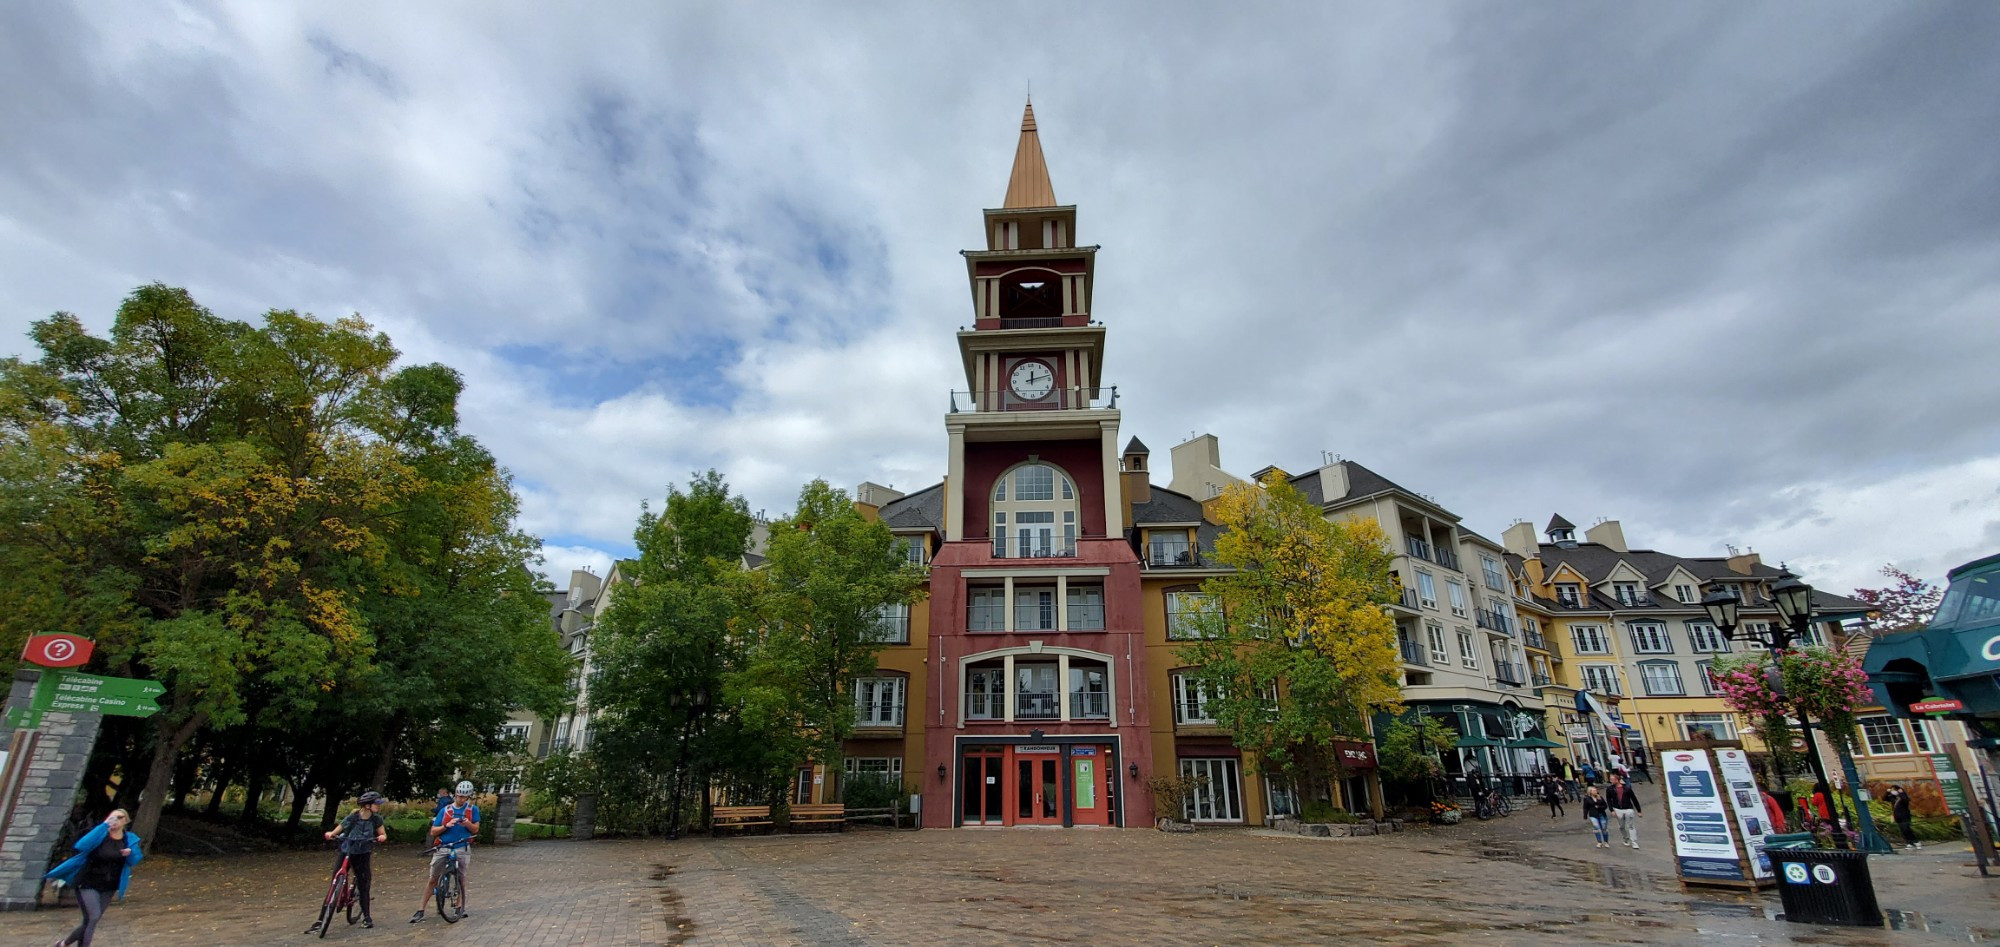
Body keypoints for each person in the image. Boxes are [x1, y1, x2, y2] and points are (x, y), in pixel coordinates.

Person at [44, 808, 143, 947]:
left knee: (90, 921)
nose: (115, 820)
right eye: (112, 817)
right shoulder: (100, 834)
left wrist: (130, 853)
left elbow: (135, 860)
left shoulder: (129, 839)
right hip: (88, 881)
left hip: (109, 884)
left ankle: (64, 943)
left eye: (119, 817)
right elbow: (82, 846)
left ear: (125, 820)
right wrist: (103, 826)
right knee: (93, 916)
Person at [310, 791, 387, 932]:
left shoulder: (376, 819)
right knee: (335, 881)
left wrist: (382, 837)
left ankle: (367, 917)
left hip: (363, 852)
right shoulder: (354, 817)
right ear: (367, 805)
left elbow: (382, 833)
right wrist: (331, 834)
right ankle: (321, 919)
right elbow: (341, 827)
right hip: (348, 850)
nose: (378, 806)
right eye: (376, 804)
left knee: (364, 884)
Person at [411, 780, 480, 924]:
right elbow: (433, 831)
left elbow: (475, 829)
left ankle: (459, 907)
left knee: (461, 878)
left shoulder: (473, 810)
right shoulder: (446, 810)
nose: (461, 799)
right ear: (455, 795)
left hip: (462, 847)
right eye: (459, 796)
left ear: (468, 797)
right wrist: (446, 825)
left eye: (464, 797)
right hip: (444, 846)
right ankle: (420, 909)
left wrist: (467, 823)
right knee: (433, 879)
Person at [1605, 772, 1643, 849]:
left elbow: (1634, 799)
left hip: (1628, 808)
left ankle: (1634, 842)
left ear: (1617, 780)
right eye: (1610, 779)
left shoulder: (1627, 788)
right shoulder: (1609, 789)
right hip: (1617, 809)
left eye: (1612, 779)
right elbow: (1608, 800)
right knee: (1622, 826)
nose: (1611, 781)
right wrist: (1611, 810)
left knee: (1631, 826)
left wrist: (1639, 810)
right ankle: (1625, 838)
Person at [1885, 784, 1920, 850]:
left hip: (1905, 815)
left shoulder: (1903, 797)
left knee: (1906, 829)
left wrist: (1901, 793)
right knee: (1903, 830)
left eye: (1894, 789)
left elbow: (1906, 800)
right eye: (1892, 789)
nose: (1892, 791)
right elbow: (1885, 798)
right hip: (1897, 816)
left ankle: (1916, 841)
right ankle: (1909, 843)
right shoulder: (1892, 797)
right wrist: (1887, 792)